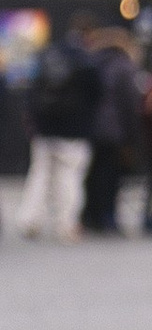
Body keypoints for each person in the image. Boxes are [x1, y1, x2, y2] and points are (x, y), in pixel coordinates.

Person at [18, 22, 101, 240]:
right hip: (75, 131)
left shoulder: (47, 57)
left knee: (39, 175)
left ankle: (29, 220)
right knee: (70, 178)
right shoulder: (87, 63)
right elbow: (97, 97)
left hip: (45, 129)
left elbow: (31, 92)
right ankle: (66, 224)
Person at [83, 29, 142, 237]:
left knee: (91, 175)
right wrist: (132, 135)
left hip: (89, 128)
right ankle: (108, 217)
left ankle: (90, 217)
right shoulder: (123, 66)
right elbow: (129, 103)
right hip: (113, 130)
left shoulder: (90, 63)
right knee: (110, 176)